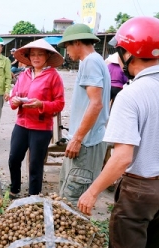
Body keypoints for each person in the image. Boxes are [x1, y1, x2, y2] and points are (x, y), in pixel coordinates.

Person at [77, 16, 159, 248]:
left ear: (130, 54)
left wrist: (92, 191)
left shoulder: (131, 95)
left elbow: (122, 157)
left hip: (139, 191)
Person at [56, 24, 111, 204]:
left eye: (67, 46)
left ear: (77, 42)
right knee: (71, 195)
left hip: (86, 143)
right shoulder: (96, 61)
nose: (67, 52)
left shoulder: (90, 62)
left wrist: (77, 138)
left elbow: (96, 104)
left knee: (71, 201)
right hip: (90, 140)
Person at [8, 39, 65, 198]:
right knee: (14, 158)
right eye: (33, 54)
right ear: (28, 56)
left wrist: (41, 104)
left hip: (41, 128)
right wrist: (14, 101)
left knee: (35, 164)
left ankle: (34, 196)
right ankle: (15, 189)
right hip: (21, 124)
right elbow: (14, 97)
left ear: (47, 56)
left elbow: (59, 104)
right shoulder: (23, 75)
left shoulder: (54, 76)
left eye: (40, 54)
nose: (36, 57)